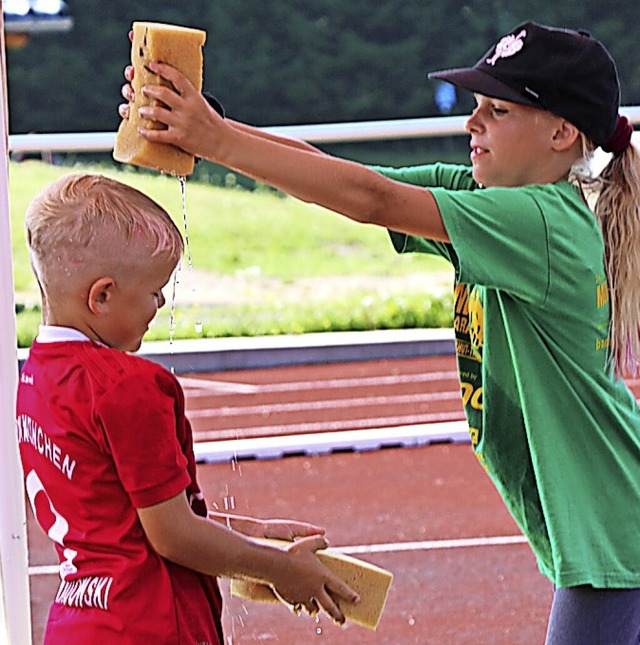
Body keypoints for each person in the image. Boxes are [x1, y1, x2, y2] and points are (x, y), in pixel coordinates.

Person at [119, 20, 640, 643]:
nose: (472, 124)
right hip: (607, 535)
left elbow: (372, 199)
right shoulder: (489, 200)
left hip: (616, 539)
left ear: (561, 133)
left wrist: (216, 138)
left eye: (497, 110)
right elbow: (345, 178)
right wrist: (208, 131)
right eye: (475, 107)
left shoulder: (539, 219)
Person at [16, 173, 359, 645]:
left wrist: (249, 534)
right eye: (155, 291)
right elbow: (173, 537)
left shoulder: (35, 377)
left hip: (80, 622)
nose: (160, 303)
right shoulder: (127, 386)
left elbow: (125, 514)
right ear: (102, 296)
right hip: (150, 623)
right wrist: (281, 570)